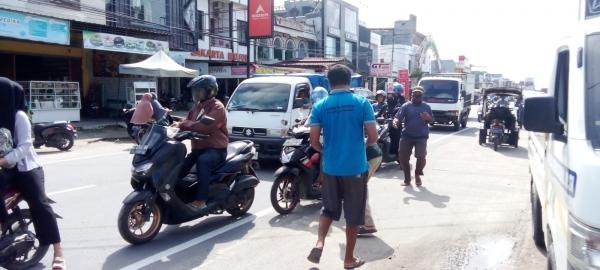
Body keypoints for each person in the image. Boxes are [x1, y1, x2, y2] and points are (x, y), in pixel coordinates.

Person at [306, 65, 378, 269]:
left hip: (330, 168)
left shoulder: (320, 106)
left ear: (329, 81)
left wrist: (327, 152)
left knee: (328, 209)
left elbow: (313, 142)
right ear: (349, 80)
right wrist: (360, 148)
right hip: (355, 167)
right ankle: (348, 259)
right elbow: (373, 137)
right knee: (353, 216)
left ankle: (319, 242)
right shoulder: (362, 103)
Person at [0, 77, 66, 270]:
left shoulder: (19, 116)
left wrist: (3, 160)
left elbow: (26, 146)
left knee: (39, 204)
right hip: (6, 170)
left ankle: (58, 251)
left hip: (26, 169)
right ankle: (5, 224)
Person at [175, 75, 228, 210]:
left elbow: (203, 126)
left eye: (199, 91)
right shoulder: (196, 106)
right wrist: (176, 124)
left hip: (216, 149)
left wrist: (184, 124)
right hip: (198, 148)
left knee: (203, 161)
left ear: (210, 91)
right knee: (180, 165)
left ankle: (201, 200)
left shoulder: (217, 107)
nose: (196, 94)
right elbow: (188, 121)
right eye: (195, 91)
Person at [394, 86, 433, 187]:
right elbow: (398, 117)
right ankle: (407, 179)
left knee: (421, 157)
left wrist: (428, 118)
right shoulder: (406, 106)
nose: (415, 97)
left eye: (418, 96)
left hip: (421, 136)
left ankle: (417, 174)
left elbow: (431, 121)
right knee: (402, 158)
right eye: (413, 95)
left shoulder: (426, 107)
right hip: (407, 135)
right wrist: (396, 121)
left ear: (421, 97)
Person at [359, 141, 383, 235]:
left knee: (359, 189)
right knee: (361, 187)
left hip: (369, 156)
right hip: (375, 154)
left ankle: (368, 225)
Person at [387, 83, 406, 157]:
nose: (394, 92)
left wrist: (397, 109)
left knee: (396, 137)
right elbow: (387, 107)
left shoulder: (402, 99)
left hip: (397, 120)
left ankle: (398, 154)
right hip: (389, 119)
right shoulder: (390, 98)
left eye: (395, 90)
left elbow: (401, 107)